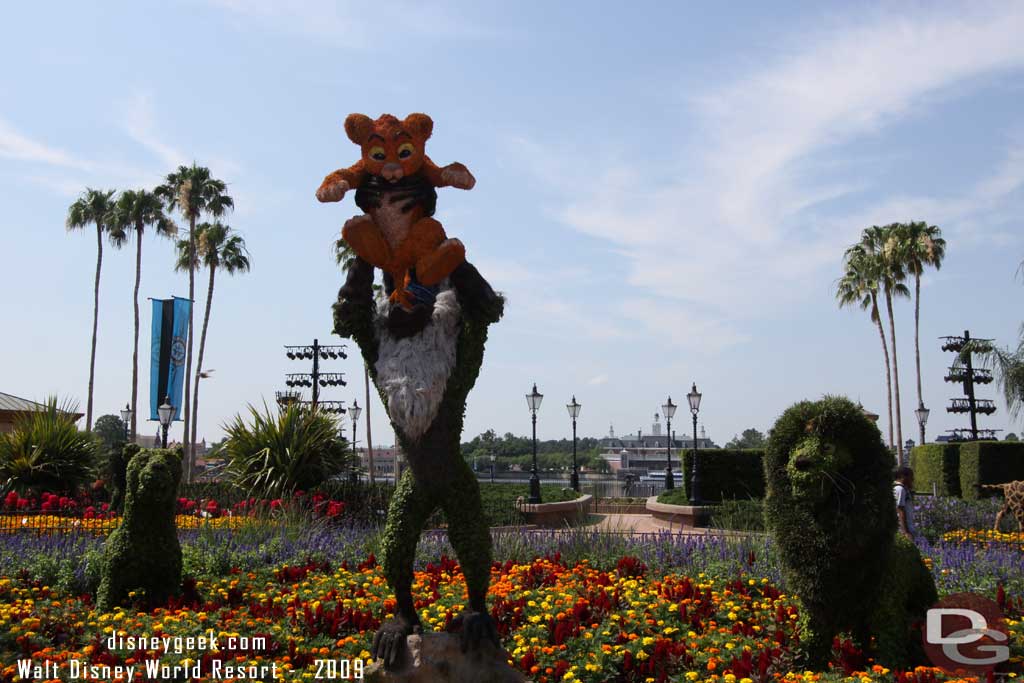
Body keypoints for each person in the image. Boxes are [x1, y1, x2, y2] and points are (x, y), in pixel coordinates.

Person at [893, 466, 916, 539]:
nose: (912, 479)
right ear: (903, 476)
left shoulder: (902, 489)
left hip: (906, 528)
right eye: (911, 476)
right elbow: (900, 510)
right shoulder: (900, 489)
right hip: (904, 530)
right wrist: (906, 532)